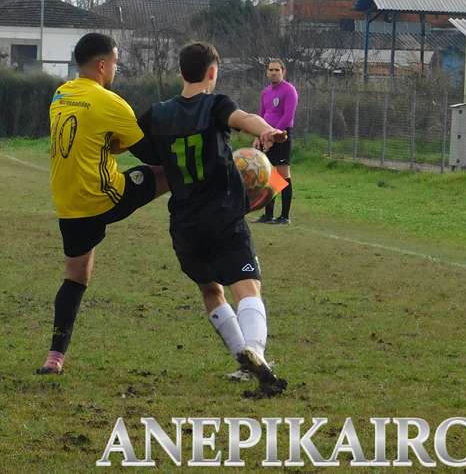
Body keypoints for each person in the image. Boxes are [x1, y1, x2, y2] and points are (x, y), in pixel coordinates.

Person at [134, 42, 288, 396]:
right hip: (223, 218)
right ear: (212, 72)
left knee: (210, 290)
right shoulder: (215, 104)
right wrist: (265, 130)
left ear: (181, 72)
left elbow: (135, 144)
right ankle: (256, 352)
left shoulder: (158, 114)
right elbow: (244, 119)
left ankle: (243, 361)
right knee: (247, 287)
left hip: (184, 226)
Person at [37, 33, 169, 375]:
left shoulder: (60, 94)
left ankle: (55, 357)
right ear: (101, 64)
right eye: (115, 62)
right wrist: (158, 120)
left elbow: (97, 140)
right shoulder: (110, 102)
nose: (115, 68)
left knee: (76, 276)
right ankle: (194, 213)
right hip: (106, 197)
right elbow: (150, 153)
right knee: (167, 171)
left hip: (68, 203)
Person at [253, 58, 298, 225]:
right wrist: (258, 135)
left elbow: (288, 116)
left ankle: (284, 216)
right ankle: (268, 215)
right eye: (270, 70)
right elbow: (261, 115)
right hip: (266, 135)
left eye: (276, 70)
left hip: (281, 136)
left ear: (283, 71)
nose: (273, 73)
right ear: (267, 72)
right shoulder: (265, 92)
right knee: (269, 175)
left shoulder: (289, 90)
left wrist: (273, 136)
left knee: (283, 175)